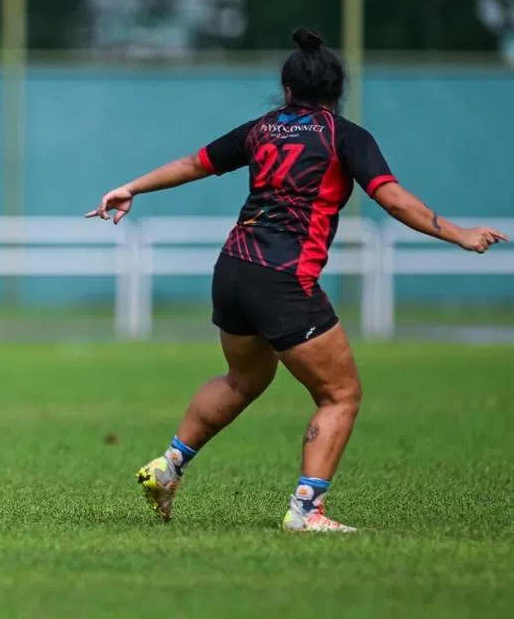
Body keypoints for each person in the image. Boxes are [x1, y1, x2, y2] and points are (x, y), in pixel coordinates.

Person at [85, 27, 508, 533]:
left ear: (286, 90)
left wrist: (130, 187)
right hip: (282, 278)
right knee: (340, 395)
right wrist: (458, 235)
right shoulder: (345, 135)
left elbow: (192, 164)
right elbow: (391, 198)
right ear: (336, 92)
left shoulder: (261, 129)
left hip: (233, 269)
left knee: (244, 379)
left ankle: (169, 465)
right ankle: (306, 511)